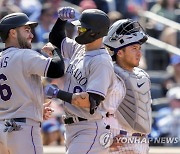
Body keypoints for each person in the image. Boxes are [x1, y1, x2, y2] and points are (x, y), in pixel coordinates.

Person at [44, 7, 126, 154]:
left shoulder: (101, 61)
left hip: (89, 129)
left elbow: (90, 101)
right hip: (73, 127)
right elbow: (56, 39)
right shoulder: (80, 48)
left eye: (82, 29)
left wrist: (57, 93)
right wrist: (61, 20)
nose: (78, 31)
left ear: (94, 33)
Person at [0, 12, 65, 154]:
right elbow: (57, 69)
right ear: (12, 32)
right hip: (22, 131)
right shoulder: (24, 54)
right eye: (27, 30)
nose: (31, 35)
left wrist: (34, 109)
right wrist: (55, 52)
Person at [103, 19, 152, 153]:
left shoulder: (142, 76)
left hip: (140, 142)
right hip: (116, 140)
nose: (139, 53)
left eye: (139, 48)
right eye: (134, 48)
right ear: (119, 52)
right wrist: (105, 142)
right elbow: (96, 112)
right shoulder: (107, 74)